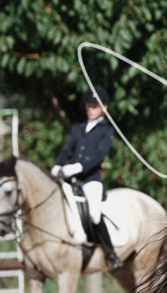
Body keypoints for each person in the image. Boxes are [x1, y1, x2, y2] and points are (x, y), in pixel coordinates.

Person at [51, 85, 123, 271]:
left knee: (94, 213)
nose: (91, 108)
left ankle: (111, 254)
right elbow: (67, 149)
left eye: (95, 106)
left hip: (91, 179)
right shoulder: (78, 128)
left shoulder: (106, 130)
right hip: (73, 180)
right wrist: (58, 165)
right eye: (89, 105)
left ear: (104, 107)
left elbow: (100, 155)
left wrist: (78, 167)